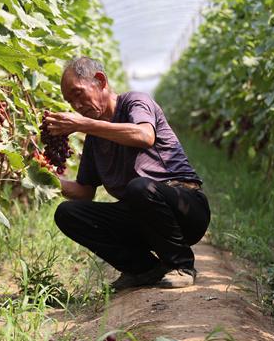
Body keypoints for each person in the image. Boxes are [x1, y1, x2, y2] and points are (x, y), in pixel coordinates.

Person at [44, 56, 210, 290]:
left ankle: (182, 265)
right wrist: (45, 177)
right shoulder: (94, 138)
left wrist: (82, 125)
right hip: (145, 216)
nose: (76, 106)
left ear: (100, 81)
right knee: (68, 213)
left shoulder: (135, 102)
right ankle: (145, 269)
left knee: (139, 187)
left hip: (186, 209)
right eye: (70, 101)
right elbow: (84, 192)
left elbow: (144, 136)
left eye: (78, 94)